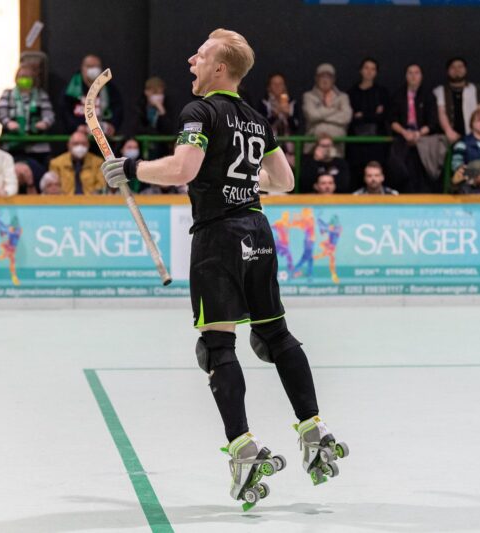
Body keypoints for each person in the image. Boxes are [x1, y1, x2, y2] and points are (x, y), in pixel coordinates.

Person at [99, 28, 348, 507]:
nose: (191, 60)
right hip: (257, 231)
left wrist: (131, 169)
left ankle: (243, 448)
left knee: (217, 346)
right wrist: (240, 177)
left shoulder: (200, 111)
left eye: (201, 55)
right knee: (275, 336)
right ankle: (314, 429)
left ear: (220, 68)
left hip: (218, 238)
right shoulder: (256, 119)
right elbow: (285, 181)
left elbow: (182, 170)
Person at [389, 64, 439, 193]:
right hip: (402, 137)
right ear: (406, 76)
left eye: (416, 73)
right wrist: (405, 133)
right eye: (410, 73)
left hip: (423, 138)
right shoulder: (398, 95)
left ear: (421, 76)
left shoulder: (429, 96)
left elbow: (433, 122)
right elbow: (392, 120)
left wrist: (418, 134)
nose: (413, 76)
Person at [0, 64, 56, 167]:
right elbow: (0, 113)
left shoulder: (41, 95)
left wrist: (45, 123)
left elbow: (49, 115)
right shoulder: (8, 94)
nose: (24, 79)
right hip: (12, 144)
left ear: (33, 79)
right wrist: (8, 123)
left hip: (37, 145)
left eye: (27, 77)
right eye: (21, 76)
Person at [347, 57, 390, 179]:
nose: (369, 71)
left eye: (373, 69)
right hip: (356, 143)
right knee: (356, 174)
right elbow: (351, 118)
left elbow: (382, 117)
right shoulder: (351, 93)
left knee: (375, 173)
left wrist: (362, 115)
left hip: (377, 143)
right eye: (366, 68)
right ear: (360, 70)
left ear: (376, 72)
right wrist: (373, 114)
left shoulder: (382, 92)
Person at [60, 54, 123, 135]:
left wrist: (113, 125)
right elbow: (65, 111)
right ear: (82, 68)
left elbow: (117, 109)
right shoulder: (71, 88)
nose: (94, 70)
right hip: (79, 134)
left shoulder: (109, 88)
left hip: (103, 134)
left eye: (97, 67)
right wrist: (76, 126)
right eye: (90, 66)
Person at [433, 57, 480, 144]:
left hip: (473, 137)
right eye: (453, 67)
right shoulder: (439, 90)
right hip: (448, 139)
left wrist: (478, 132)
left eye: (460, 67)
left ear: (465, 70)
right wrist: (448, 131)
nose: (457, 70)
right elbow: (441, 112)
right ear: (447, 71)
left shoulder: (477, 89)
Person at [302, 63, 353, 155]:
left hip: (337, 148)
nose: (325, 80)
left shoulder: (342, 97)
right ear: (316, 78)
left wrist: (321, 116)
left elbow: (346, 117)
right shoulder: (308, 96)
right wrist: (334, 109)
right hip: (313, 146)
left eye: (328, 77)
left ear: (333, 79)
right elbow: (312, 116)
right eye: (322, 76)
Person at [257, 73, 302, 167]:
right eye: (274, 84)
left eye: (280, 84)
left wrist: (288, 115)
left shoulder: (292, 103)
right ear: (269, 87)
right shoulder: (264, 103)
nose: (277, 87)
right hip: (270, 146)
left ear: (284, 86)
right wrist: (275, 114)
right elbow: (261, 126)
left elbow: (296, 127)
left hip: (289, 148)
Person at [48, 130, 106, 195]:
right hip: (64, 200)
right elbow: (54, 187)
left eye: (83, 144)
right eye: (76, 144)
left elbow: (101, 185)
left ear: (88, 145)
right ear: (68, 145)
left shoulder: (98, 162)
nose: (80, 147)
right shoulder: (56, 163)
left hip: (91, 200)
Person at [136, 76, 174, 160]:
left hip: (162, 151)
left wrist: (161, 110)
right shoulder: (140, 106)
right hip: (142, 150)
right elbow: (138, 128)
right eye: (155, 93)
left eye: (160, 93)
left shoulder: (167, 106)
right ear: (146, 92)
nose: (158, 96)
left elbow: (169, 129)